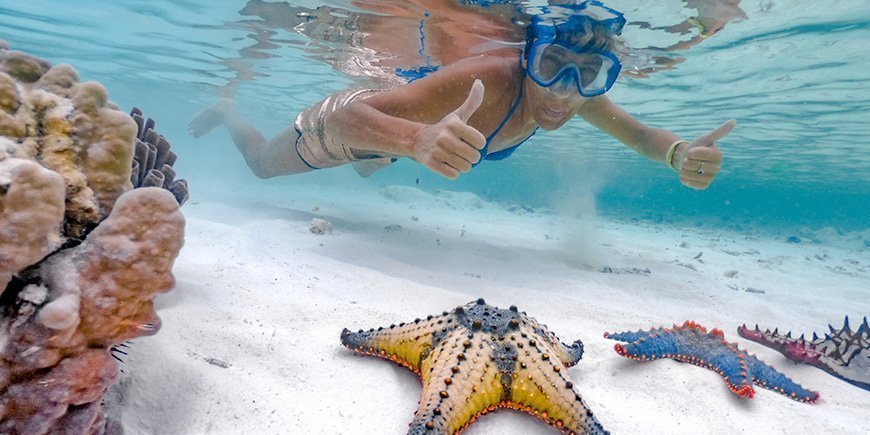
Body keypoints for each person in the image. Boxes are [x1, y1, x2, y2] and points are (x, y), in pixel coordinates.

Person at [189, 1, 734, 190]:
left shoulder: (571, 92)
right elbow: (353, 117)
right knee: (262, 165)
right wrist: (418, 137)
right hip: (352, 120)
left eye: (588, 76)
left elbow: (639, 133)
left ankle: (386, 154)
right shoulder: (492, 79)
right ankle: (227, 110)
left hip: (403, 130)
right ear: (527, 59)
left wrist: (678, 154)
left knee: (370, 163)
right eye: (551, 67)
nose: (566, 94)